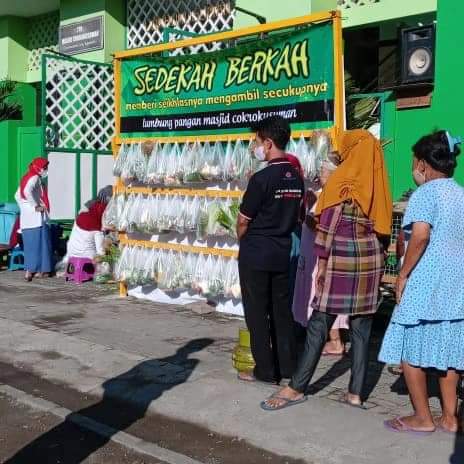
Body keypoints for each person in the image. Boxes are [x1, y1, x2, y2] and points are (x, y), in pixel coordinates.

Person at [261, 129, 392, 410]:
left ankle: (296, 387)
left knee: (319, 323)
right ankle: (356, 393)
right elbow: (384, 230)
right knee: (361, 329)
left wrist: (320, 267)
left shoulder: (341, 182)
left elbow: (327, 229)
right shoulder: (378, 183)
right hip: (370, 263)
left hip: (340, 263)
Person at [380, 130, 464, 434]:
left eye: (415, 161)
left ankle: (422, 417)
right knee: (449, 352)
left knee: (408, 348)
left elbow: (421, 236)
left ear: (424, 164)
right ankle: (451, 418)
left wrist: (402, 275)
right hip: (457, 284)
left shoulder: (425, 194)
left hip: (426, 280)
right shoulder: (461, 193)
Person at [237, 116, 304, 384]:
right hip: (282, 250)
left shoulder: (261, 178)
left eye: (257, 142)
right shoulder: (296, 179)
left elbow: (243, 220)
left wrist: (243, 239)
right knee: (281, 311)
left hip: (256, 252)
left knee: (257, 313)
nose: (255, 148)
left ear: (268, 142)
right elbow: (298, 215)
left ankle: (265, 370)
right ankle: (287, 367)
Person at [292, 159, 349, 355]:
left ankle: (335, 341)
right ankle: (323, 335)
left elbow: (323, 226)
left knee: (323, 294)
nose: (319, 175)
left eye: (323, 172)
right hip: (313, 253)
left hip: (322, 256)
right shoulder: (324, 195)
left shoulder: (333, 197)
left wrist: (308, 220)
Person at [15, 157, 53, 281]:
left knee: (31, 246)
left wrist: (25, 206)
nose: (46, 170)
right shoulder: (35, 177)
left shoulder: (26, 177)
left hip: (27, 219)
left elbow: (17, 195)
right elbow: (26, 191)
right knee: (41, 244)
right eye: (45, 168)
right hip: (36, 219)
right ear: (38, 168)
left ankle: (31, 270)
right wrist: (35, 206)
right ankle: (38, 270)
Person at [65, 185, 113, 262]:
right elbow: (101, 251)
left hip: (71, 254)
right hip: (87, 259)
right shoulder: (98, 226)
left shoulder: (90, 206)